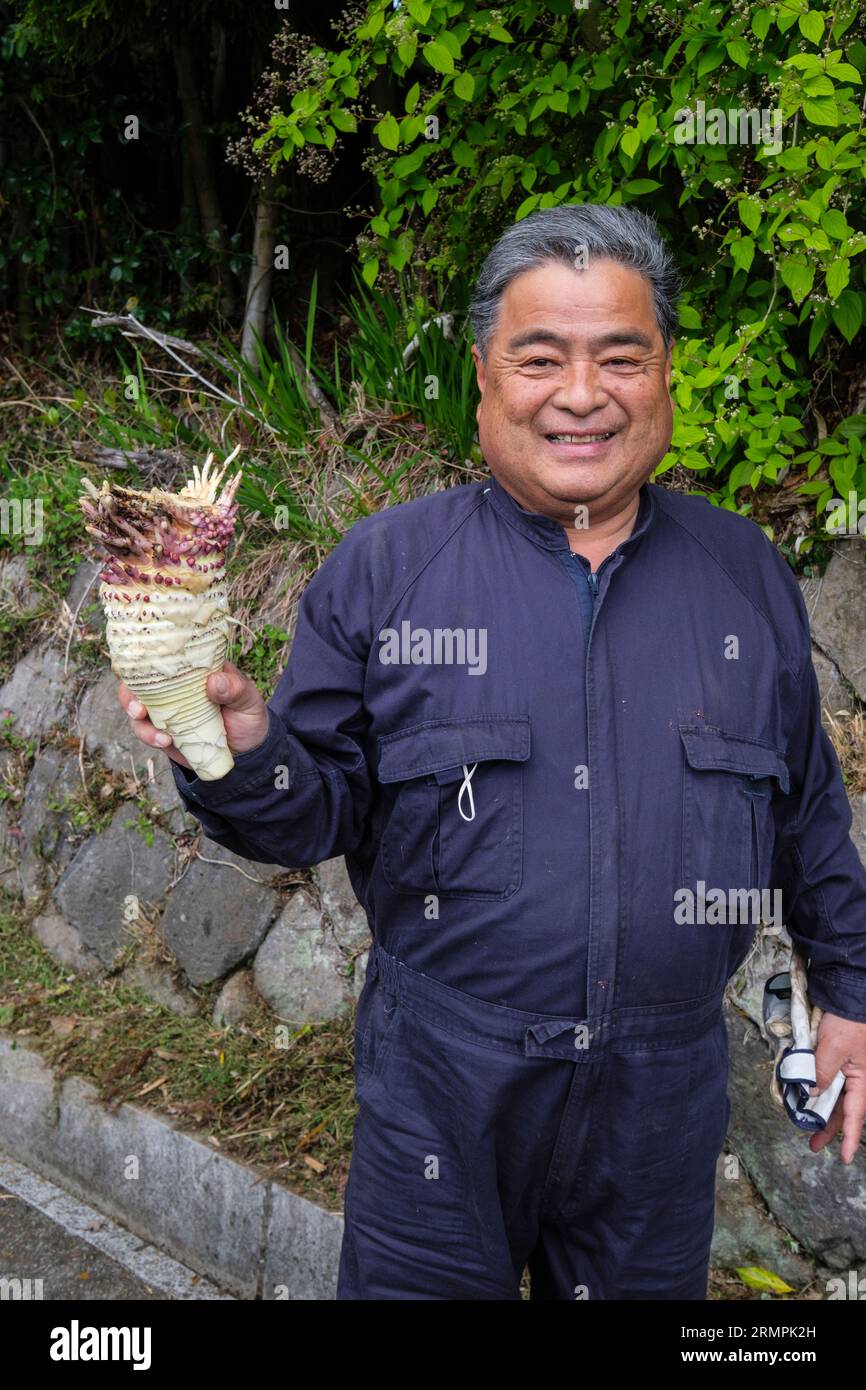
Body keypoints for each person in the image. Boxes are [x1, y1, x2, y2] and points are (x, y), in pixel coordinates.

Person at [119, 204, 866, 1300]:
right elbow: (309, 812)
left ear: (663, 375)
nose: (579, 394)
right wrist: (239, 749)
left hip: (656, 1112)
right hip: (441, 1089)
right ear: (482, 374)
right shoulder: (385, 572)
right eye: (539, 358)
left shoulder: (740, 573)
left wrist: (846, 985)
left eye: (619, 357)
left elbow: (804, 809)